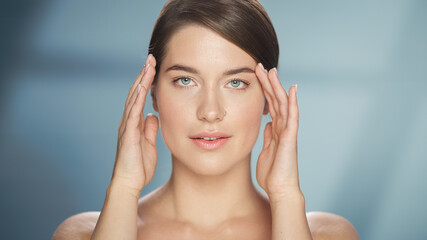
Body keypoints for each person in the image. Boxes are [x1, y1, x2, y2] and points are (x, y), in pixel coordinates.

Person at [53, 0, 359, 239]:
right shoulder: (84, 234)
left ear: (269, 96)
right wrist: (123, 187)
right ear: (153, 92)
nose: (210, 111)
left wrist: (285, 196)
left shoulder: (327, 235)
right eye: (186, 80)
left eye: (235, 82)